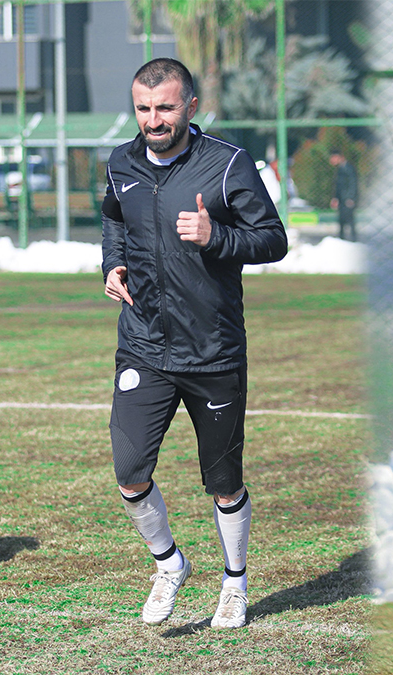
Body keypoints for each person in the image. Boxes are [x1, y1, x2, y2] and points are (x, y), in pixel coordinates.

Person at [101, 58, 288, 629]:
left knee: (224, 484)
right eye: (143, 108)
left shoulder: (227, 165)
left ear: (190, 106)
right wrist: (113, 264)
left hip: (213, 352)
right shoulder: (121, 161)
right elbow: (114, 219)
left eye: (165, 107)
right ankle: (169, 564)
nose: (153, 120)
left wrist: (217, 236)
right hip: (143, 345)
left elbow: (273, 240)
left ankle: (235, 582)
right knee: (130, 470)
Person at [330, 151, 358, 241]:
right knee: (342, 220)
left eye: (333, 157)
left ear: (339, 157)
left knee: (349, 220)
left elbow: (353, 183)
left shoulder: (348, 168)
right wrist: (336, 198)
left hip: (347, 199)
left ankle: (353, 240)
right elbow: (338, 186)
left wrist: (351, 198)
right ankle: (342, 239)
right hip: (342, 198)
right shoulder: (340, 169)